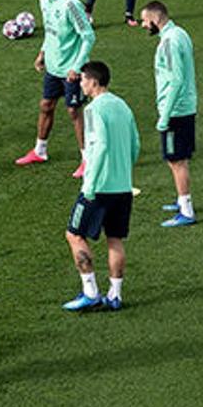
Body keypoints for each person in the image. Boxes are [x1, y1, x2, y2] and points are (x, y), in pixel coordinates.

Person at [61, 61, 139, 312]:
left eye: (83, 79)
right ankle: (115, 295)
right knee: (115, 239)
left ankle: (91, 291)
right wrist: (124, 171)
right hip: (123, 187)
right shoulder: (123, 106)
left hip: (99, 188)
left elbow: (101, 146)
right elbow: (135, 145)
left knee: (74, 234)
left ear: (94, 82)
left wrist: (90, 186)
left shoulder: (94, 110)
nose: (80, 84)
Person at [15, 0, 96, 178]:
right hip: (53, 66)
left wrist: (77, 68)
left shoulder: (70, 4)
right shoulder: (44, 1)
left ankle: (88, 160)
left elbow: (88, 36)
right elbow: (51, 31)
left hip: (72, 70)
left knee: (74, 112)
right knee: (46, 105)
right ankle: (40, 151)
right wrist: (42, 53)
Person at [139, 1, 197, 227]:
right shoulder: (180, 33)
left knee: (176, 160)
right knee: (178, 159)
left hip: (175, 111)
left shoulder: (169, 42)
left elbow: (176, 79)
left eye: (145, 20)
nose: (144, 25)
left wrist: (165, 116)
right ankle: (182, 199)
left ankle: (187, 210)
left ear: (155, 19)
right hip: (185, 107)